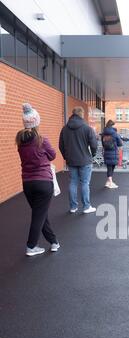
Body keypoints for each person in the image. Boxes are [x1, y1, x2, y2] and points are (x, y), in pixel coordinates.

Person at [16, 103, 59, 256]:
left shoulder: (20, 142)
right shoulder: (42, 140)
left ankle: (53, 242)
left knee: (40, 213)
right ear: (36, 122)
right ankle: (31, 246)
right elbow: (53, 155)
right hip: (43, 182)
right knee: (39, 214)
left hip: (27, 183)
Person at [59, 107, 98, 214]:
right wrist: (93, 154)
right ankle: (86, 207)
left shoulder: (64, 129)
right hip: (85, 160)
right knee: (85, 183)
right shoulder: (87, 128)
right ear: (82, 115)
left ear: (72, 114)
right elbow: (94, 144)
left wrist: (66, 157)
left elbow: (61, 145)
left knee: (73, 183)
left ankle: (73, 207)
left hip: (71, 161)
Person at [101, 120, 123, 189]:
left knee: (109, 167)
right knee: (111, 168)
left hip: (106, 152)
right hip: (113, 153)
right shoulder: (115, 134)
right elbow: (120, 143)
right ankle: (110, 183)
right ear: (112, 126)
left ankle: (108, 182)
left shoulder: (103, 134)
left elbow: (103, 143)